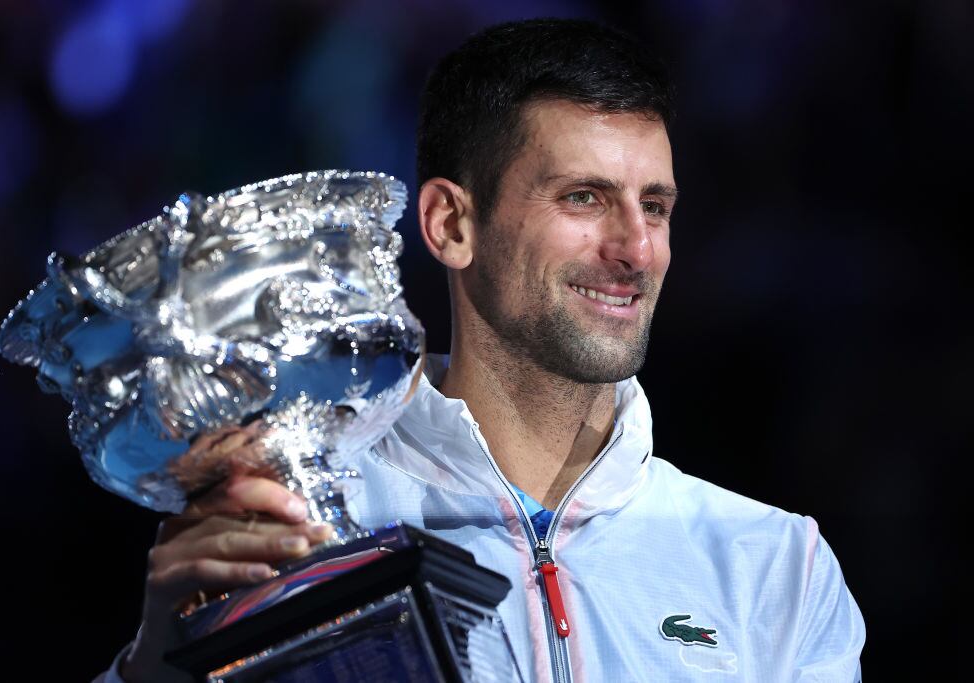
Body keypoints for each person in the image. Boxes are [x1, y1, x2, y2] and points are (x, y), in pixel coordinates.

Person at [102, 18, 865, 682]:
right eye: (585, 198)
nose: (637, 248)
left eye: (656, 207)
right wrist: (158, 666)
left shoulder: (773, 566)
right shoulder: (299, 529)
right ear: (450, 225)